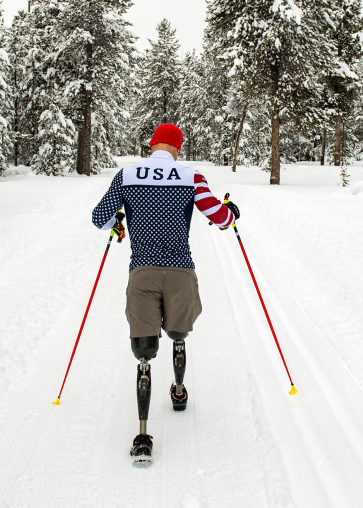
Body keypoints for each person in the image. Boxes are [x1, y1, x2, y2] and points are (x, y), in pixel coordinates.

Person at [92, 123, 239, 464]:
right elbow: (218, 217)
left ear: (152, 144)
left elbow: (100, 218)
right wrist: (231, 213)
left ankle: (142, 436)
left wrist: (118, 221)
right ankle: (177, 391)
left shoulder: (127, 175)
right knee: (178, 332)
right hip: (180, 272)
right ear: (178, 147)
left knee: (143, 350)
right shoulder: (191, 176)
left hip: (141, 271)